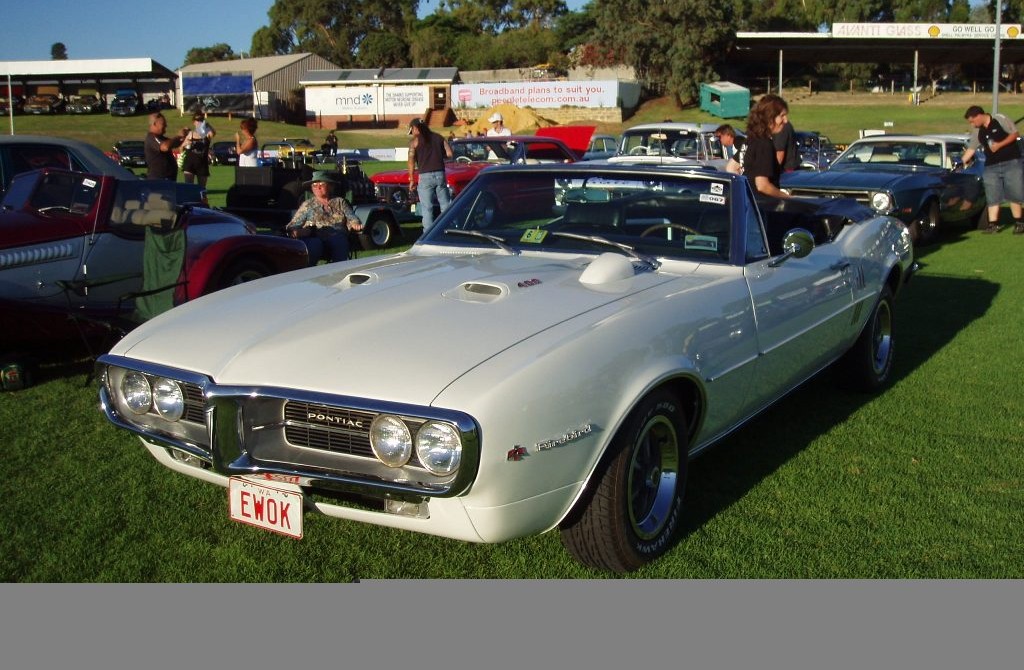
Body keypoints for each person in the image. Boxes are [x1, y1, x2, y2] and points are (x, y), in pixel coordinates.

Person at [961, 105, 1024, 234]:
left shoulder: (1000, 119)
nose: (972, 125)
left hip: (1011, 162)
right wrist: (960, 163)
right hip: (991, 166)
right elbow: (971, 148)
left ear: (979, 116)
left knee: (1014, 193)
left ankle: (1019, 223)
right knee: (992, 195)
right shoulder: (978, 131)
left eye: (973, 121)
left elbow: (1014, 134)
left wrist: (999, 145)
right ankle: (993, 225)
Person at [285, 171, 364, 265]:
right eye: (314, 185)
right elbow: (293, 225)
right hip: (315, 237)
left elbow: (352, 217)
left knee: (339, 241)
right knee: (314, 244)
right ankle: (309, 271)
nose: (318, 187)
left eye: (322, 184)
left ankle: (339, 270)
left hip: (337, 236)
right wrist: (298, 231)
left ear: (331, 186)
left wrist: (355, 224)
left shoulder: (340, 202)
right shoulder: (308, 205)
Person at [407, 118, 453, 234]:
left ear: (415, 128)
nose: (412, 133)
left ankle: (428, 234)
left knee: (427, 208)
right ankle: (449, 230)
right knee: (446, 205)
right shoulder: (438, 137)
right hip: (440, 174)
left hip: (425, 176)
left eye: (412, 130)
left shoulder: (415, 142)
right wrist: (439, 155)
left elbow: (411, 161)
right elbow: (449, 154)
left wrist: (411, 179)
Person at [743, 94, 792, 199]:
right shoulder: (765, 144)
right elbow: (762, 185)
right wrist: (787, 198)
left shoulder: (751, 139)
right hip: (762, 204)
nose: (786, 120)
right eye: (782, 116)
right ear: (770, 118)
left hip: (749, 202)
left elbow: (732, 167)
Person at [144, 111, 188, 180]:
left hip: (168, 179)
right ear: (155, 124)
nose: (166, 126)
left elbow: (173, 144)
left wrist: (184, 137)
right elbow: (165, 147)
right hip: (159, 180)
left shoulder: (162, 139)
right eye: (163, 124)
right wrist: (179, 136)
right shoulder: (152, 138)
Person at [182, 112, 216, 187]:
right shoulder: (190, 134)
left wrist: (208, 125)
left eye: (201, 120)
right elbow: (181, 148)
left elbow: (213, 133)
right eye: (197, 120)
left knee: (201, 189)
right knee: (188, 188)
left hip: (202, 164)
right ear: (194, 122)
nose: (199, 122)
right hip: (190, 164)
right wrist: (185, 144)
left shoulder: (207, 134)